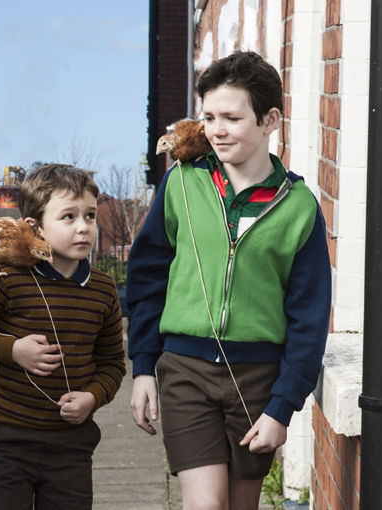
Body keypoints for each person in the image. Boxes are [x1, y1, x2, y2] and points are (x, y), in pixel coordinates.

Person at [127, 51, 332, 510]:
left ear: (269, 120)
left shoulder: (299, 207)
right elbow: (146, 279)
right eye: (209, 117)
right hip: (184, 371)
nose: (217, 130)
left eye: (232, 118)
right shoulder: (180, 185)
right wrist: (143, 365)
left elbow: (309, 316)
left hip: (258, 379)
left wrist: (283, 406)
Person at [0, 164, 126, 510]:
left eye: (90, 215)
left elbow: (113, 363)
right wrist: (11, 349)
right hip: (9, 438)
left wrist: (92, 398)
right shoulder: (8, 280)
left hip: (72, 445)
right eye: (68, 217)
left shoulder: (103, 289)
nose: (84, 227)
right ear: (34, 226)